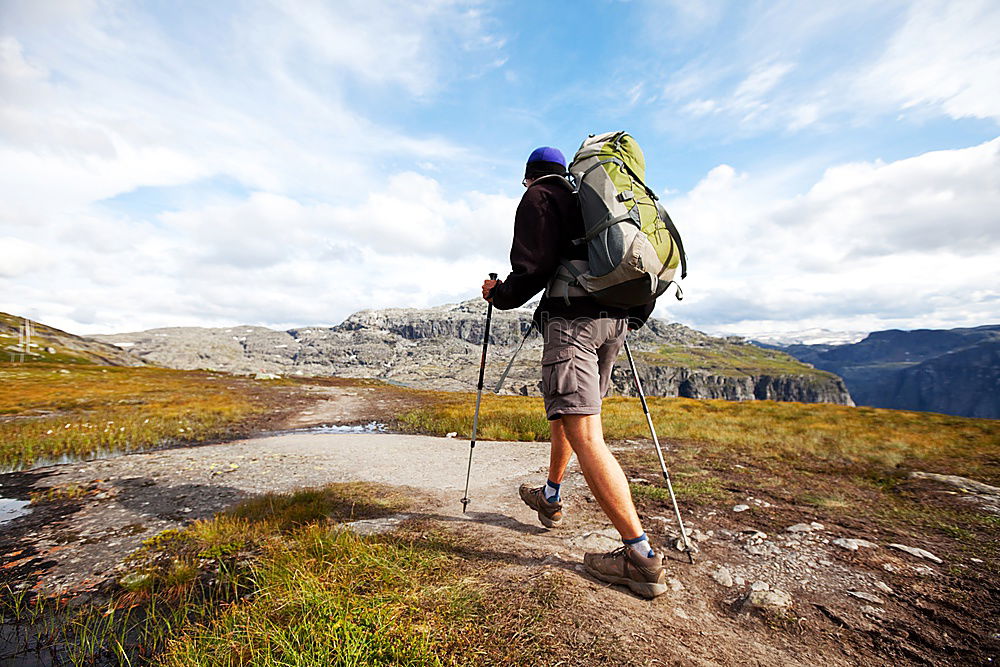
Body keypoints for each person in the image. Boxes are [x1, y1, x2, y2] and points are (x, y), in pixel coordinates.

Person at [481, 146, 668, 599]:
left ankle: (639, 558)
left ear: (528, 177)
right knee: (574, 417)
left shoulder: (541, 196)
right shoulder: (593, 198)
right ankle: (551, 494)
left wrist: (499, 294)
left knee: (586, 434)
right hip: (613, 322)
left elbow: (534, 268)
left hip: (573, 324)